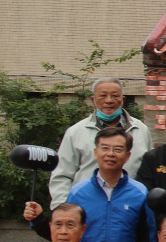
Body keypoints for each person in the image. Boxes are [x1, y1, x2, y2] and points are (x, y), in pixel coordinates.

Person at [25, 127, 155, 242]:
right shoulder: (78, 193)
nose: (110, 154)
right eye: (105, 148)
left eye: (118, 149)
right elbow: (65, 234)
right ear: (95, 152)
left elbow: (148, 241)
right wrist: (38, 219)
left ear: (127, 156)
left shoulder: (139, 193)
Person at [49, 77, 151, 207]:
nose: (109, 100)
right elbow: (61, 176)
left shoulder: (141, 130)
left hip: (128, 208)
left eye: (115, 96)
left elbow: (148, 173)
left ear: (123, 99)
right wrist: (63, 208)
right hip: (85, 207)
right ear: (93, 100)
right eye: (103, 96)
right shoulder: (75, 132)